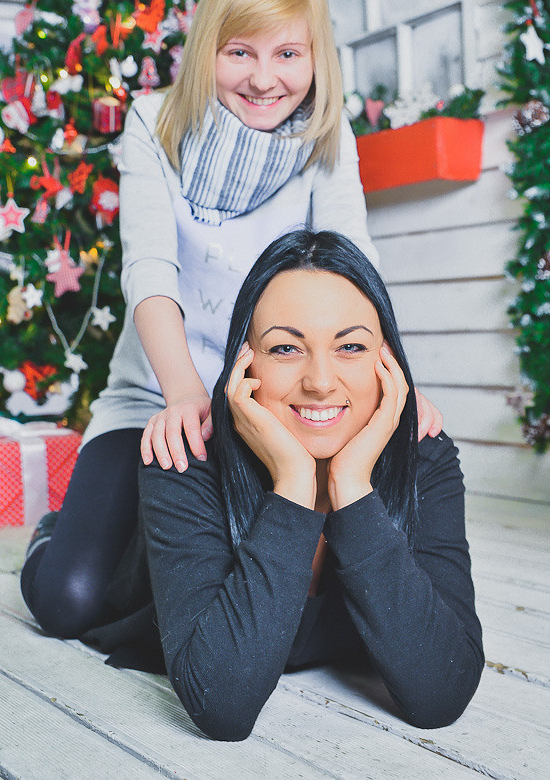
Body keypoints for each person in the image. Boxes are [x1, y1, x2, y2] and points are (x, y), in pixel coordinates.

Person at [20, 0, 441, 641]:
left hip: (274, 405)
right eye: (240, 51)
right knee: (68, 601)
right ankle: (54, 533)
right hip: (157, 399)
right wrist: (184, 394)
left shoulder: (327, 140)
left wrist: (391, 383)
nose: (264, 78)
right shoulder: (153, 125)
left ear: (315, 60)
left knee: (266, 593)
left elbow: (357, 270)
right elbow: (149, 272)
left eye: (287, 54)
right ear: (208, 47)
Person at [137, 229, 483, 741]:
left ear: (385, 358)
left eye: (350, 346)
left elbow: (442, 694)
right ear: (243, 360)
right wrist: (294, 483)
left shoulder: (424, 455)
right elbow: (223, 706)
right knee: (64, 595)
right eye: (285, 348)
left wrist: (351, 484)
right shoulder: (187, 455)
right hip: (124, 586)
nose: (320, 381)